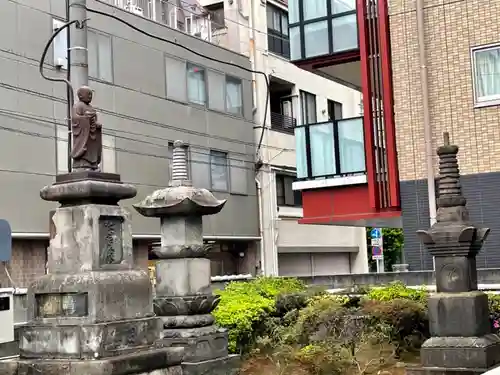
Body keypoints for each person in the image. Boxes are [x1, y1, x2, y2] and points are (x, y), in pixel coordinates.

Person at [71, 86, 102, 170]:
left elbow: (94, 120)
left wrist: (97, 125)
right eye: (88, 94)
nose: (90, 96)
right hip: (83, 134)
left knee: (92, 149)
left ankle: (93, 164)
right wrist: (85, 118)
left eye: (91, 95)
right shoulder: (78, 106)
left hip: (91, 135)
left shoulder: (91, 108)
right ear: (80, 96)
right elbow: (75, 118)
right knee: (84, 150)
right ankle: (83, 164)